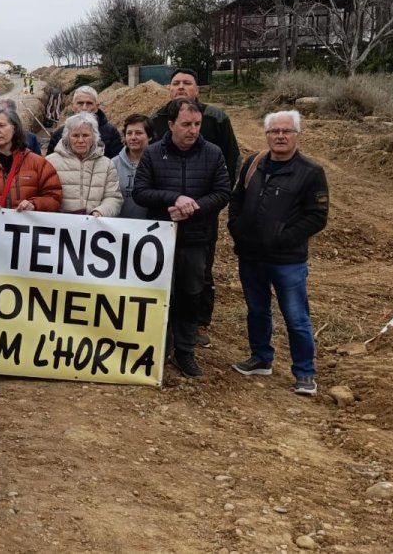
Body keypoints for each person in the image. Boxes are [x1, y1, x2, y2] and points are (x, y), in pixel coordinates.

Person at [228, 110, 329, 396]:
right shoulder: (253, 163)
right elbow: (237, 199)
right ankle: (261, 358)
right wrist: (236, 228)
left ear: (298, 134)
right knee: (257, 310)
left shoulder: (311, 172)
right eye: (275, 131)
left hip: (287, 261)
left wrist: (283, 239)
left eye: (287, 131)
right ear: (267, 135)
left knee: (296, 317)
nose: (280, 136)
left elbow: (317, 217)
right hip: (251, 255)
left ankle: (305, 373)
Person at [132, 99, 231, 379]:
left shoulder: (213, 154)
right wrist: (172, 199)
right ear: (171, 124)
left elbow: (223, 192)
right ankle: (157, 350)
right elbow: (141, 191)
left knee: (190, 295)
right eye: (186, 124)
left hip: (197, 238)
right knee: (159, 295)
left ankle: (185, 352)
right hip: (159, 239)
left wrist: (193, 207)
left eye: (197, 124)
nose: (193, 130)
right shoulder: (152, 154)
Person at [149, 68, 240, 348]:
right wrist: (169, 201)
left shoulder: (216, 118)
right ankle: (162, 326)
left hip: (202, 218)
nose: (180, 87)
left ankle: (198, 324)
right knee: (163, 273)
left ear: (197, 89)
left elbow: (231, 160)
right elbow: (150, 173)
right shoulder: (157, 120)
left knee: (200, 273)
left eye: (187, 82)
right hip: (165, 218)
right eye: (175, 83)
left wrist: (205, 205)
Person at [0, 107, 62, 212]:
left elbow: (54, 197)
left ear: (15, 128)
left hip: (24, 227)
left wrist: (34, 204)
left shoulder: (38, 163)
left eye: (1, 126)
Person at [45, 112, 122, 217]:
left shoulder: (107, 164)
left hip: (94, 226)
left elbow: (114, 197)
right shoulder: (50, 162)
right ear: (67, 137)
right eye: (75, 135)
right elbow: (44, 196)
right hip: (59, 227)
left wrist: (101, 211)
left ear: (94, 137)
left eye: (85, 135)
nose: (80, 140)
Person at [46, 86, 121, 159]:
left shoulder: (111, 133)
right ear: (72, 106)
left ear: (97, 106)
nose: (84, 108)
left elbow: (117, 163)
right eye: (80, 103)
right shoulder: (58, 135)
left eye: (89, 103)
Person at [113, 114, 154, 219]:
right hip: (120, 229)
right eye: (129, 133)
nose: (133, 137)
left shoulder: (159, 163)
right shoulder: (113, 164)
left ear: (149, 136)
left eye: (139, 133)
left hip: (152, 229)